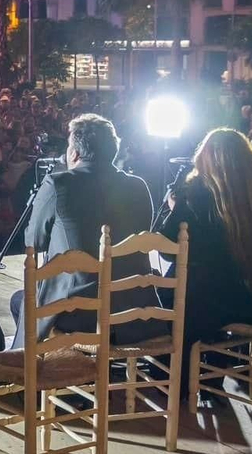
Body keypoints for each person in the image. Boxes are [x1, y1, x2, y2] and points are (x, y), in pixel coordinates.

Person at [11, 114, 161, 348]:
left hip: (83, 314)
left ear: (74, 152)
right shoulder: (139, 186)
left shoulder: (58, 184)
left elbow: (34, 242)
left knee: (20, 301)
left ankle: (36, 374)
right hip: (136, 312)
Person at [155, 128, 252, 345]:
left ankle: (181, 374)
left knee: (168, 293)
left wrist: (175, 207)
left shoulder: (197, 193)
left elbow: (167, 250)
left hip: (212, 303)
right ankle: (214, 367)